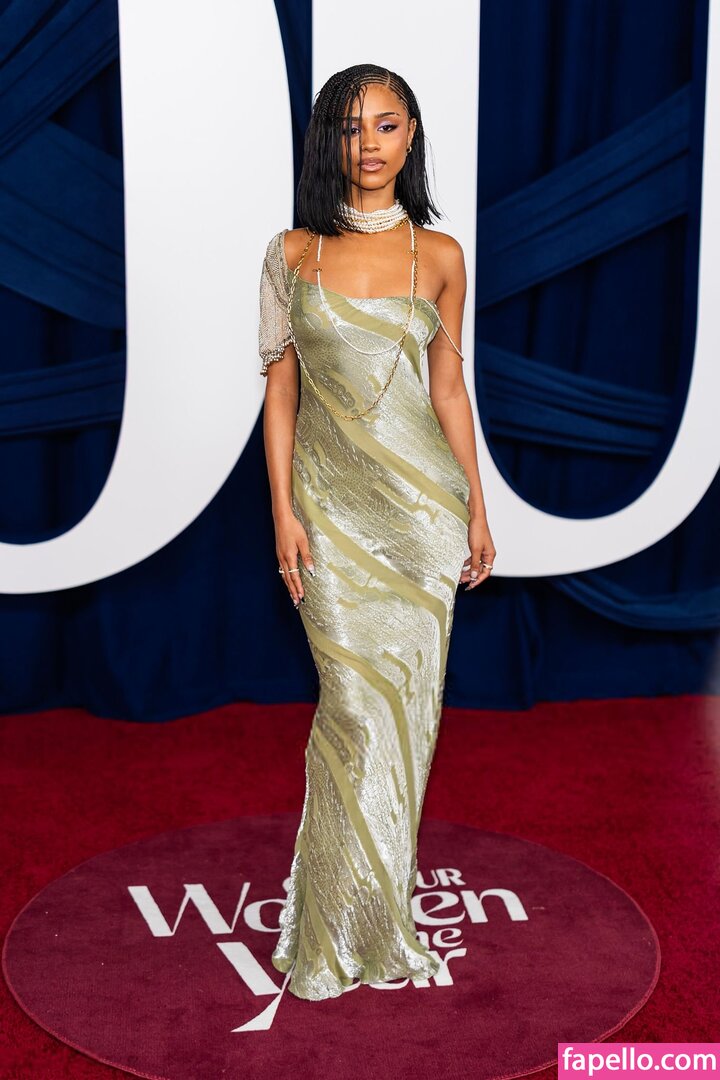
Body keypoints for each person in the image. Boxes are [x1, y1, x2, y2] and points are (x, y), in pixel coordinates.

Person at [258, 63, 496, 1000]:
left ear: (411, 136)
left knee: (407, 722)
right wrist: (283, 512)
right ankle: (329, 933)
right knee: (353, 711)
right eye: (353, 127)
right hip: (328, 511)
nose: (370, 144)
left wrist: (477, 507)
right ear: (330, 140)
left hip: (421, 516)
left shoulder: (440, 254)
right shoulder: (292, 253)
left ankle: (378, 922)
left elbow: (449, 391)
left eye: (388, 125)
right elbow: (281, 393)